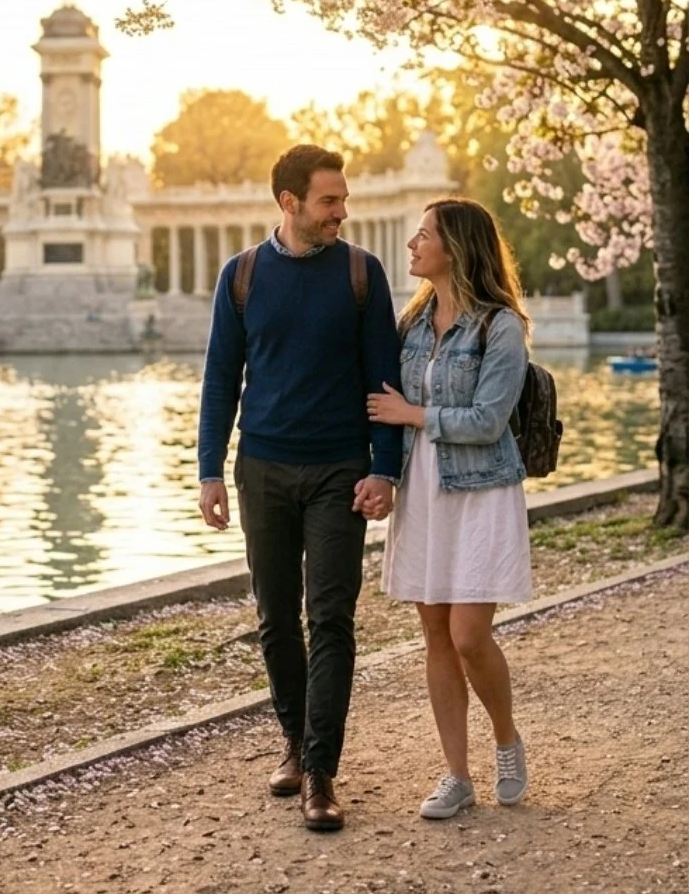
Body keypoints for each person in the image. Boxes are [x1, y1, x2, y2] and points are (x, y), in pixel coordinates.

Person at [198, 144, 403, 833]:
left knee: (333, 619)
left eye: (343, 200)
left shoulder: (361, 273)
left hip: (339, 472)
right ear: (290, 203)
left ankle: (320, 770)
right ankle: (292, 738)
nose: (342, 212)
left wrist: (385, 468)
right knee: (275, 618)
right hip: (261, 469)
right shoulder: (243, 275)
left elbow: (385, 381)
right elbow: (221, 380)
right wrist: (208, 470)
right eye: (329, 201)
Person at [368, 198, 531, 821]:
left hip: (481, 491)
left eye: (424, 235)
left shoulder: (501, 326)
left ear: (456, 247)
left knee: (468, 634)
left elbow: (489, 421)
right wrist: (379, 475)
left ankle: (507, 740)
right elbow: (379, 406)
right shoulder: (409, 324)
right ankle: (457, 775)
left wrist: (414, 415)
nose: (412, 243)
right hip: (423, 490)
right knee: (434, 633)